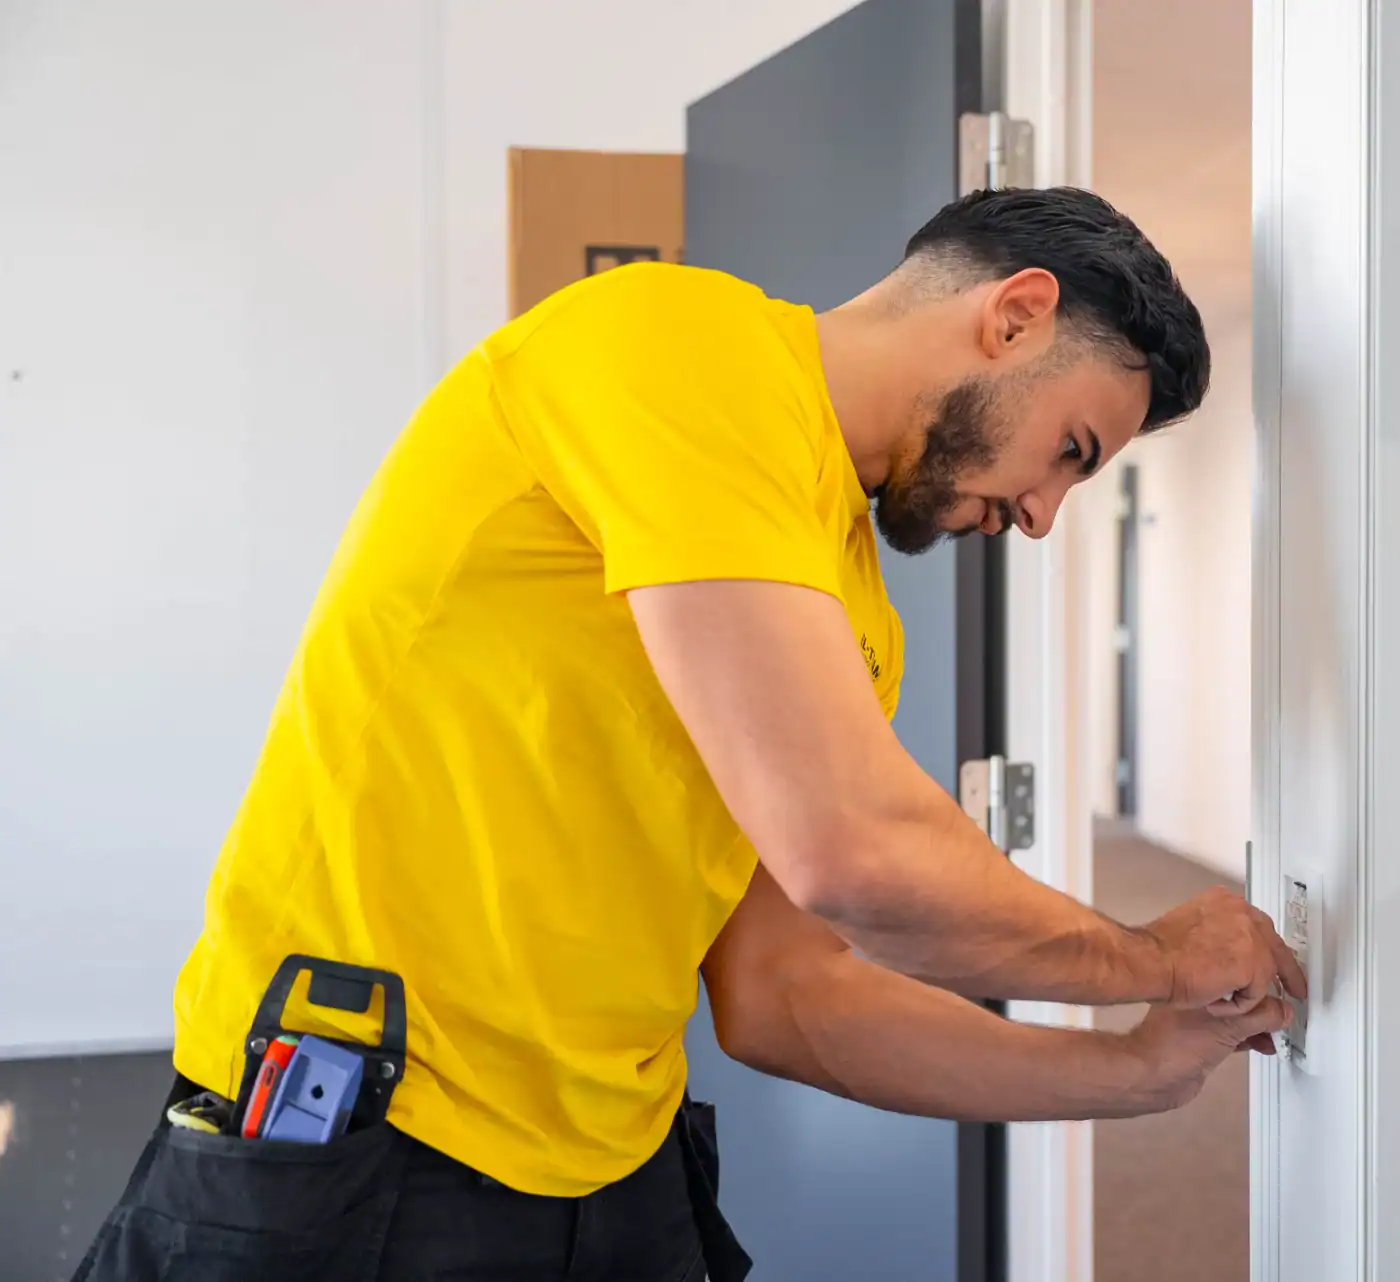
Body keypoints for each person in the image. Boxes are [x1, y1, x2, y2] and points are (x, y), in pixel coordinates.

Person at [77, 187, 1305, 1281]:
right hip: (366, 1140)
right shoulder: (683, 346)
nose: (1042, 514)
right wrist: (1152, 956)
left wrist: (1131, 1074)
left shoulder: (844, 602)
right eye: (1070, 453)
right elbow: (854, 853)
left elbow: (789, 993)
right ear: (1015, 316)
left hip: (614, 1162)